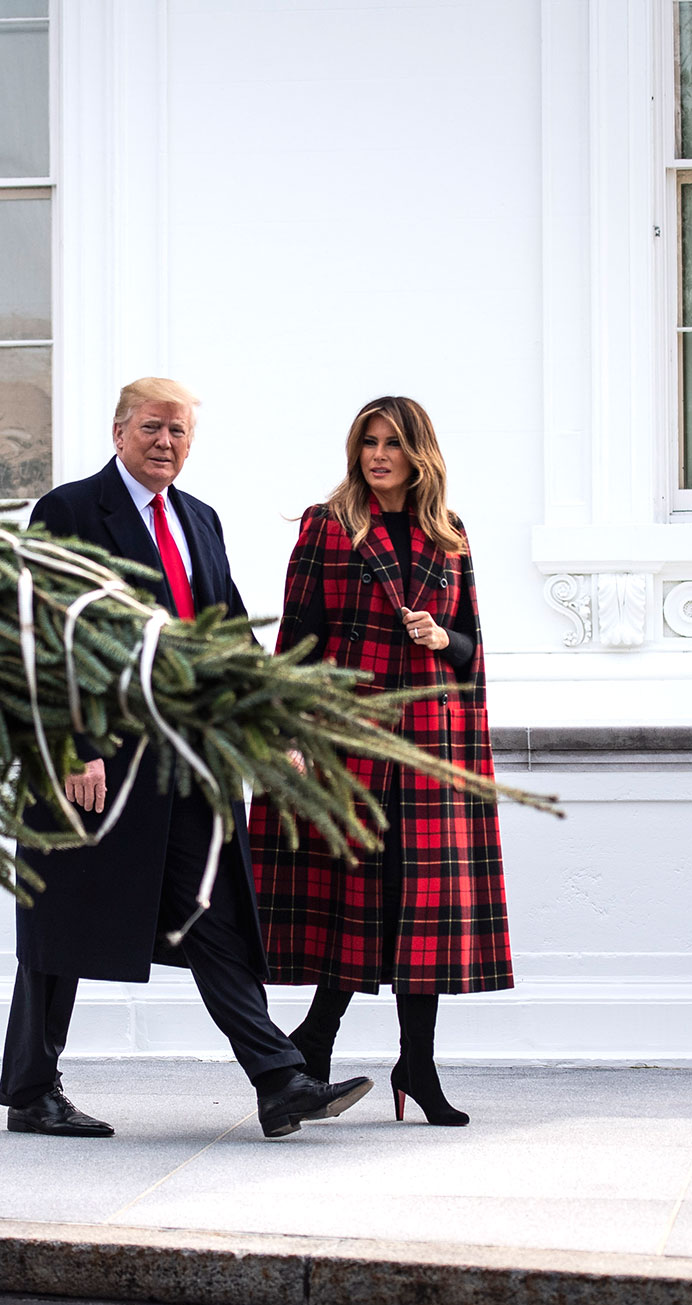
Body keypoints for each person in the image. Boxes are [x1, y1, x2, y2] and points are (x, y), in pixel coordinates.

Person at [0, 377, 374, 1140]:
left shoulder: (200, 520)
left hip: (190, 763)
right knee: (62, 921)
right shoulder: (68, 511)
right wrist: (75, 742)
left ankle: (279, 1082)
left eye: (179, 432)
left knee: (217, 915)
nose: (165, 442)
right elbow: (43, 634)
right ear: (118, 432)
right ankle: (33, 1089)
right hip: (100, 757)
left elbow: (229, 634)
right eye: (152, 427)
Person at [250, 395, 512, 1127]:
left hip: (429, 743)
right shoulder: (328, 526)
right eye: (368, 441)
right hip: (349, 737)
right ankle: (319, 1040)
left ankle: (413, 1063)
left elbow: (470, 648)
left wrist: (442, 641)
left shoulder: (450, 535)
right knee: (354, 894)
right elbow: (297, 641)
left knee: (416, 903)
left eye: (392, 442)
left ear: (418, 452)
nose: (377, 455)